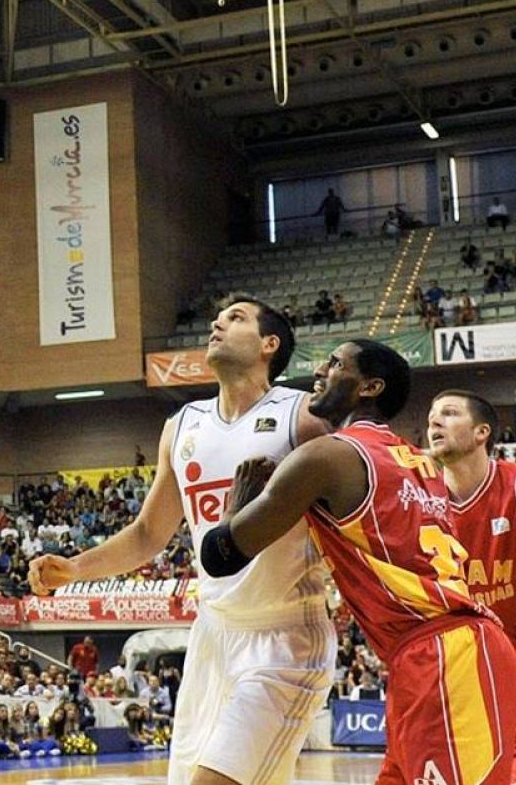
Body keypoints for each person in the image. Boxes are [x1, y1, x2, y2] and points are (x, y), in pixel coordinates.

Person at [28, 296, 333, 785]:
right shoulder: (182, 425)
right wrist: (77, 568)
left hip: (284, 635)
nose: (217, 323)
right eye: (218, 317)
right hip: (211, 634)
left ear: (269, 344)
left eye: (236, 318)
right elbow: (149, 533)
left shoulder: (304, 418)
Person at [201, 340, 516, 784]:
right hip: (434, 654)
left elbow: (219, 555)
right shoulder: (418, 463)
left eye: (335, 364)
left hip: (443, 655)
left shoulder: (328, 456)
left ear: (370, 387)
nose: (320, 371)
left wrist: (235, 506)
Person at [429, 390, 516, 783]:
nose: (434, 421)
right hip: (464, 690)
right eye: (431, 416)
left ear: (481, 432)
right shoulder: (422, 504)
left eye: (449, 413)